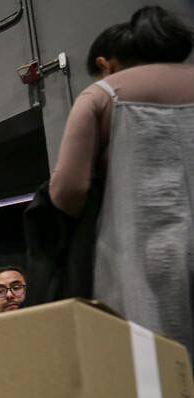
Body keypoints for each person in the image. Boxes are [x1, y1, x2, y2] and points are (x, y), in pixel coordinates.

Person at [50, 6, 194, 358]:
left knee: (162, 372)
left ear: (106, 63)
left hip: (143, 257)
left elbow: (68, 189)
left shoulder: (103, 95)